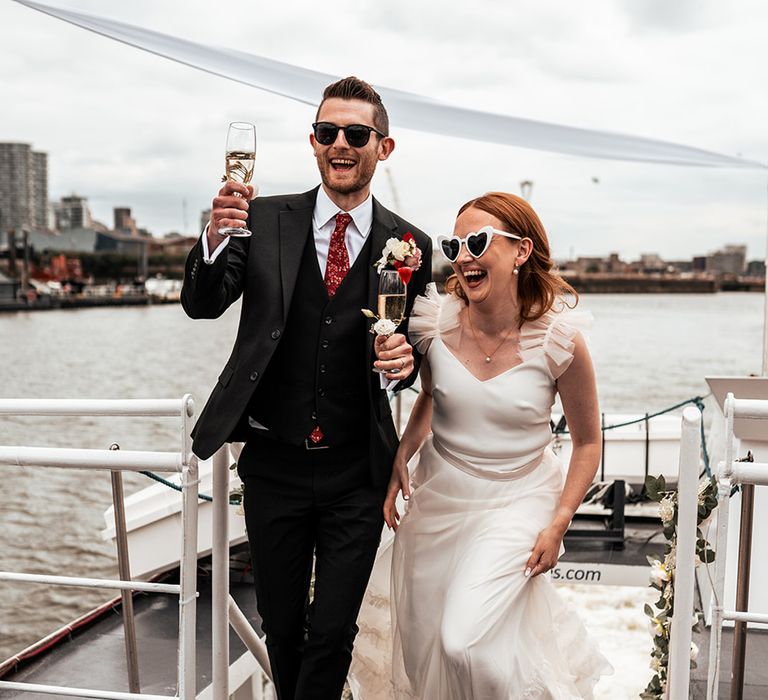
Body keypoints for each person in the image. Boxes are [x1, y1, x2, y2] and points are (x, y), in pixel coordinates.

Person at [181, 76, 432, 700]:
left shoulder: (413, 245)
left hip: (358, 468)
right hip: (273, 463)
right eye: (327, 132)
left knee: (333, 631)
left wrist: (405, 362)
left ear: (385, 147)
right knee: (283, 626)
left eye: (355, 133)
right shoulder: (261, 219)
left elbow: (422, 355)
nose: (339, 144)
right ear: (313, 142)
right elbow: (202, 303)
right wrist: (215, 239)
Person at [350, 192, 612, 699]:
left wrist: (557, 525)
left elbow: (587, 443)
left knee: (464, 643)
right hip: (438, 498)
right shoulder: (434, 323)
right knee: (423, 647)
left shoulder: (560, 341)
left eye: (476, 241)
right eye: (455, 244)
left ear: (520, 251)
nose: (463, 256)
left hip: (519, 501)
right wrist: (401, 456)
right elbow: (430, 395)